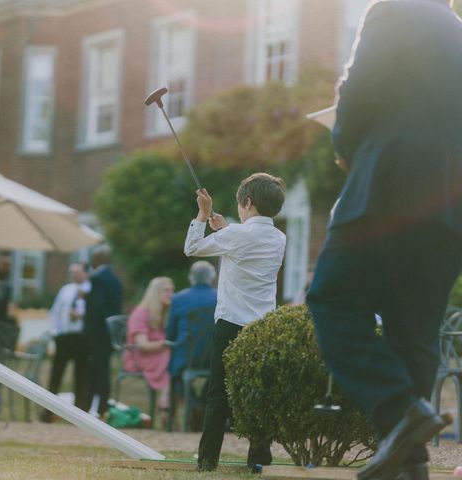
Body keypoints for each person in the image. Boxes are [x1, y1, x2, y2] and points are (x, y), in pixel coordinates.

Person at [306, 2, 462, 480]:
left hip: (389, 180)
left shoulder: (393, 9)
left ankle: (400, 409)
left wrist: (344, 146)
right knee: (413, 331)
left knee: (332, 300)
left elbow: (361, 85)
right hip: (450, 205)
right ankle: (409, 463)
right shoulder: (456, 30)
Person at [184, 173, 286, 473]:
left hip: (231, 322)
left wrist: (203, 215)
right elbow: (245, 247)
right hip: (263, 325)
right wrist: (227, 229)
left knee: (218, 394)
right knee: (258, 391)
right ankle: (257, 459)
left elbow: (192, 248)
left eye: (240, 205)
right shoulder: (279, 238)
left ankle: (207, 460)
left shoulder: (237, 236)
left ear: (248, 202)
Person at [165, 261, 217, 428]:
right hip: (213, 356)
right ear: (212, 278)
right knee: (218, 373)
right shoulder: (221, 297)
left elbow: (170, 333)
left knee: (175, 372)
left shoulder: (178, 298)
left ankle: (193, 404)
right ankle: (202, 404)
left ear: (191, 278)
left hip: (186, 356)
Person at [40, 262, 91, 421]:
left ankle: (79, 414)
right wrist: (56, 332)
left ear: (86, 273)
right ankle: (48, 412)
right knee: (56, 374)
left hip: (82, 337)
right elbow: (55, 311)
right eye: (72, 272)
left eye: (78, 272)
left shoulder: (91, 289)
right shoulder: (66, 290)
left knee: (81, 375)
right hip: (64, 337)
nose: (75, 274)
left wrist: (81, 316)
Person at [123, 276, 174, 419]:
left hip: (157, 353)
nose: (171, 294)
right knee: (170, 355)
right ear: (155, 293)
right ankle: (165, 400)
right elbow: (143, 345)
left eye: (172, 290)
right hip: (138, 356)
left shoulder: (164, 313)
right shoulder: (141, 313)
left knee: (175, 358)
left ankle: (168, 404)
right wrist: (165, 344)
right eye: (166, 290)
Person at [84, 245, 123, 417]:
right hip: (109, 331)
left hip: (98, 331)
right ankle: (102, 406)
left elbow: (96, 308)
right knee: (104, 368)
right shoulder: (115, 279)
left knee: (97, 369)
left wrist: (88, 330)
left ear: (99, 258)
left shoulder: (98, 279)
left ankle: (96, 406)